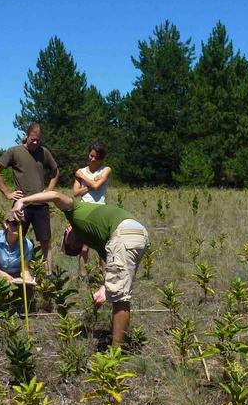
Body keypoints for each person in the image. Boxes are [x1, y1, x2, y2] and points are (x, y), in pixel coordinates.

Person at [13, 191, 148, 346]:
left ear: (67, 231)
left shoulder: (75, 212)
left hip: (124, 234)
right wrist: (105, 288)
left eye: (71, 244)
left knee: (120, 298)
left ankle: (115, 353)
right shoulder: (96, 238)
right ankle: (117, 338)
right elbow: (110, 267)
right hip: (137, 233)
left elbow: (55, 195)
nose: (75, 244)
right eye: (75, 248)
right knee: (119, 290)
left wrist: (23, 201)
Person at [0, 123, 59, 275]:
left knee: (45, 242)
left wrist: (49, 190)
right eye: (32, 139)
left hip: (41, 205)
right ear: (26, 136)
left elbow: (55, 171)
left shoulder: (44, 152)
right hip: (21, 206)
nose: (35, 143)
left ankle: (48, 275)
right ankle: (12, 272)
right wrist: (7, 193)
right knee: (15, 239)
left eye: (38, 140)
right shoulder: (14, 151)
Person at [72, 142, 111, 279]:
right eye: (91, 155)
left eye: (96, 157)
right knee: (84, 247)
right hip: (84, 210)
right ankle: (83, 276)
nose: (93, 159)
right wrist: (91, 184)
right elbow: (75, 193)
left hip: (100, 210)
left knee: (102, 246)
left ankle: (103, 276)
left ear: (101, 159)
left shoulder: (105, 170)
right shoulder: (81, 170)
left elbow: (97, 186)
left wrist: (83, 178)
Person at [0, 211, 36, 286]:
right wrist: (4, 275)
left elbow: (25, 269)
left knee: (28, 290)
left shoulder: (27, 245)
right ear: (6, 224)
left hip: (15, 275)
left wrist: (28, 278)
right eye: (14, 224)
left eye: (22, 224)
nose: (18, 227)